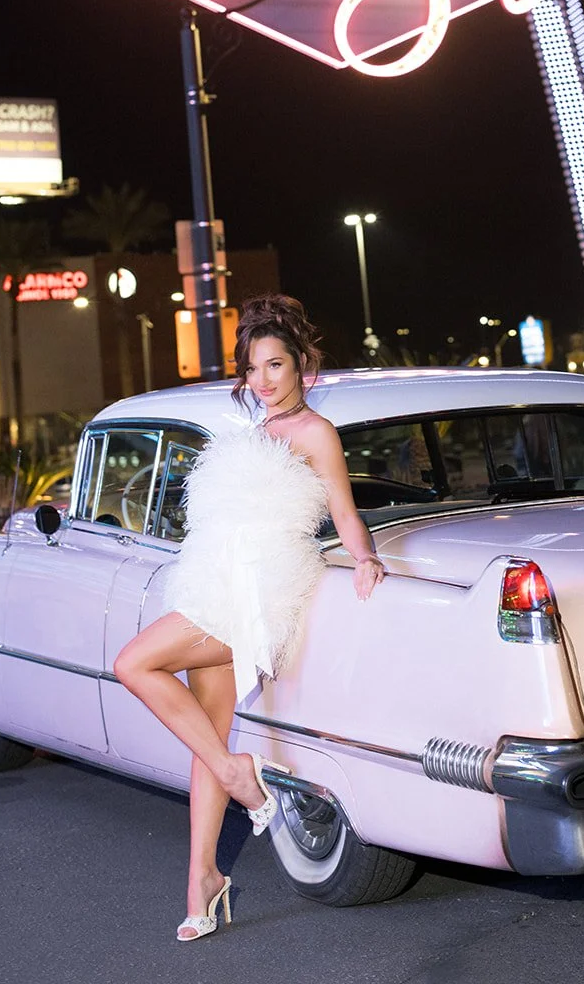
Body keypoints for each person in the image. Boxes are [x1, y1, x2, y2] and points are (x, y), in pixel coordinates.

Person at [113, 294, 386, 943]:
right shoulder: (254, 435)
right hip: (213, 582)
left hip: (258, 594)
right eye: (253, 368)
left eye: (274, 365)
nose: (262, 381)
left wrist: (365, 559)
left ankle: (242, 775)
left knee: (133, 663)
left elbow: (343, 511)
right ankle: (202, 880)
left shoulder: (316, 433)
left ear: (300, 366)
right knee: (206, 735)